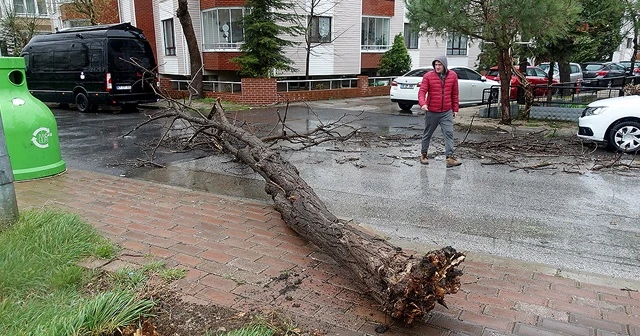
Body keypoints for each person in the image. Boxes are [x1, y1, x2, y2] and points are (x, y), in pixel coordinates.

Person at [418, 56, 462, 167]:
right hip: (432, 111)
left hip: (446, 111)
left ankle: (449, 158)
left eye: (440, 64)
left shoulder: (453, 76)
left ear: (444, 65)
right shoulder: (428, 76)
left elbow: (455, 94)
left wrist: (455, 109)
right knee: (428, 134)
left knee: (449, 133)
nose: (437, 67)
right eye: (436, 65)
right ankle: (423, 155)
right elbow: (422, 91)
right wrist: (423, 103)